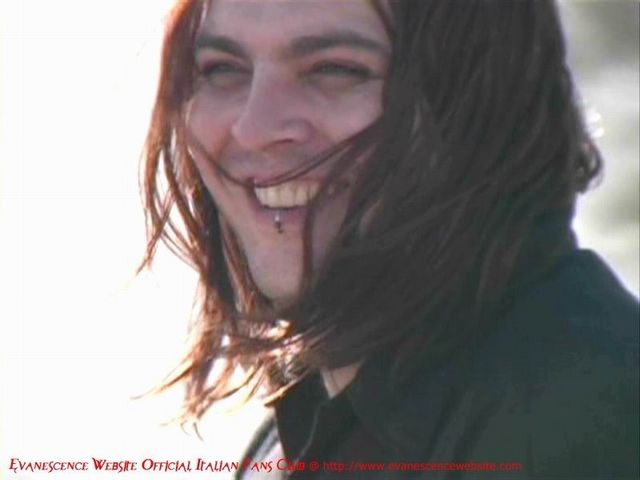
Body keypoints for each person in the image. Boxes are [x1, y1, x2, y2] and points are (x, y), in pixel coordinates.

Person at [140, 0, 639, 478]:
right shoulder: (329, 403)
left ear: (484, 94)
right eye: (222, 69)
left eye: (335, 69)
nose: (253, 128)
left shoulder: (576, 416)